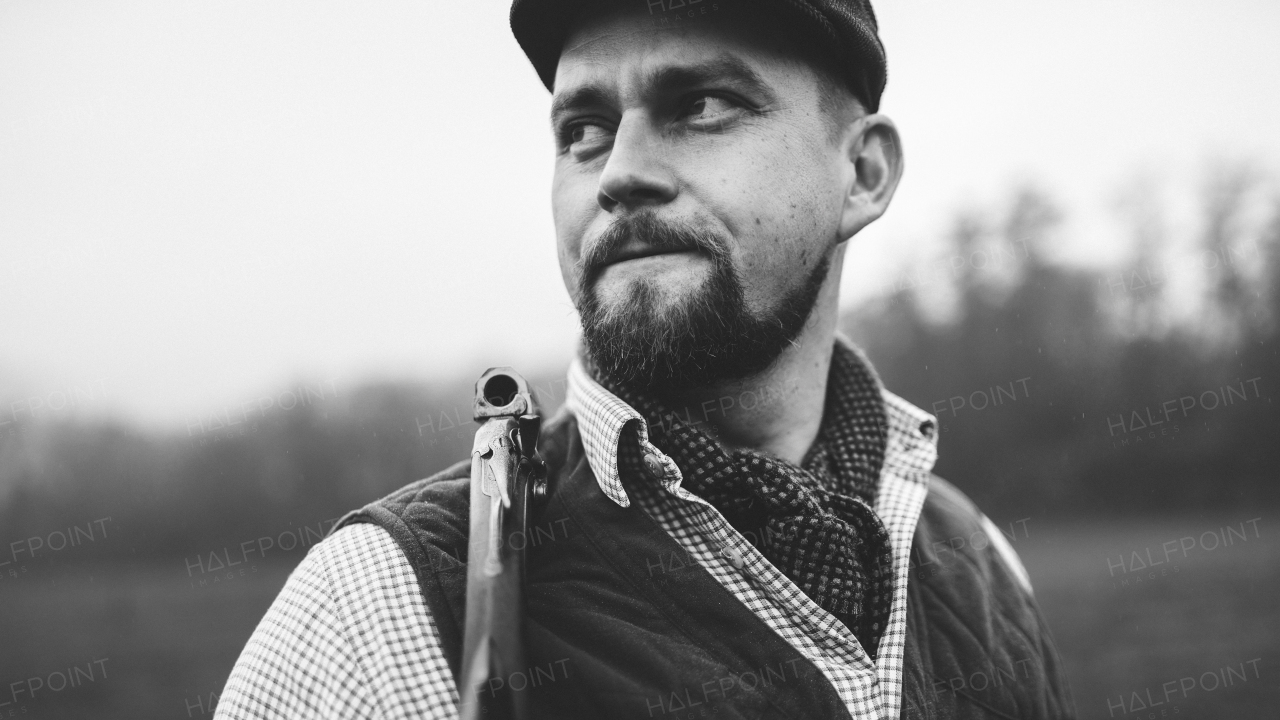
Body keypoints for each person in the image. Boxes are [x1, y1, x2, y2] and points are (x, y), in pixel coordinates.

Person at [216, 0, 1075, 717]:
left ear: (863, 172)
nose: (619, 172)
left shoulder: (981, 561)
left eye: (699, 105)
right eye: (583, 129)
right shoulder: (372, 614)